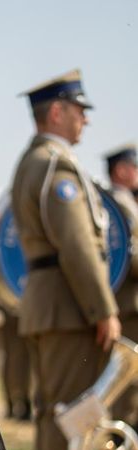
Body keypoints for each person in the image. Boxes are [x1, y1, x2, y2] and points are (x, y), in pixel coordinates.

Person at [11, 69, 121, 450]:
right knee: (66, 412)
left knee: (56, 410)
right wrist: (103, 308)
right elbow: (77, 246)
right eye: (79, 111)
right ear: (57, 112)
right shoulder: (54, 164)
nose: (85, 120)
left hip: (53, 302)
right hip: (66, 304)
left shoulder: (38, 160)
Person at [104, 143, 138, 430]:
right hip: (127, 303)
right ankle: (123, 435)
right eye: (134, 167)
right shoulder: (118, 203)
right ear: (121, 170)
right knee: (127, 380)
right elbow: (124, 255)